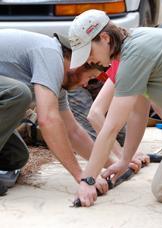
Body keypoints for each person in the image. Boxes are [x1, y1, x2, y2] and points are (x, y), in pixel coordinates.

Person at [68, 9, 162, 206]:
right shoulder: (133, 46)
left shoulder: (134, 55)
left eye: (89, 52)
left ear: (104, 38)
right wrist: (124, 160)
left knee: (161, 189)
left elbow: (111, 127)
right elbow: (138, 112)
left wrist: (88, 179)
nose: (89, 60)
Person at [0, 28, 110, 195]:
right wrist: (81, 176)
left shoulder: (55, 83)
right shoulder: (51, 55)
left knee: (15, 156)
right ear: (78, 64)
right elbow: (48, 121)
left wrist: (113, 164)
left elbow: (73, 131)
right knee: (18, 93)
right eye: (90, 77)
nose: (87, 85)